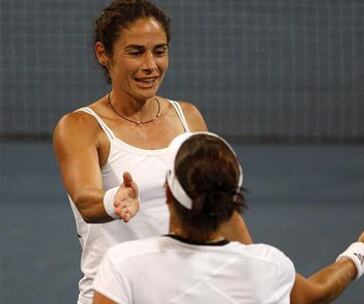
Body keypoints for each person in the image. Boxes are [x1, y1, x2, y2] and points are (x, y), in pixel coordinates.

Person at [53, 1, 251, 303]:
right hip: (114, 295)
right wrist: (113, 200)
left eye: (159, 51)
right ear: (102, 53)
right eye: (136, 52)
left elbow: (219, 208)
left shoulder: (189, 117)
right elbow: (86, 201)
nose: (151, 65)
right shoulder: (80, 126)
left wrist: (255, 270)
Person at [92, 132, 364, 304]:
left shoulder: (124, 265)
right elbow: (314, 294)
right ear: (232, 203)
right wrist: (363, 251)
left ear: (167, 194)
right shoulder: (268, 267)